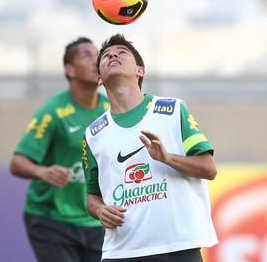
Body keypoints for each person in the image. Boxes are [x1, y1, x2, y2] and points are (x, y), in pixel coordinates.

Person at [82, 33, 218, 261]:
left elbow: (209, 168)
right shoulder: (93, 133)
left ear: (140, 70)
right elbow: (93, 197)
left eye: (122, 52)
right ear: (99, 79)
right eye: (106, 55)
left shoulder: (173, 110)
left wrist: (167, 158)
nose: (113, 55)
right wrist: (100, 210)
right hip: (121, 253)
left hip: (177, 247)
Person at [10, 37, 110, 262]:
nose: (97, 59)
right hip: (51, 220)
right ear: (70, 69)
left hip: (95, 221)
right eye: (87, 55)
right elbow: (17, 163)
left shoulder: (110, 110)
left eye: (98, 53)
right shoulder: (52, 112)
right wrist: (42, 172)